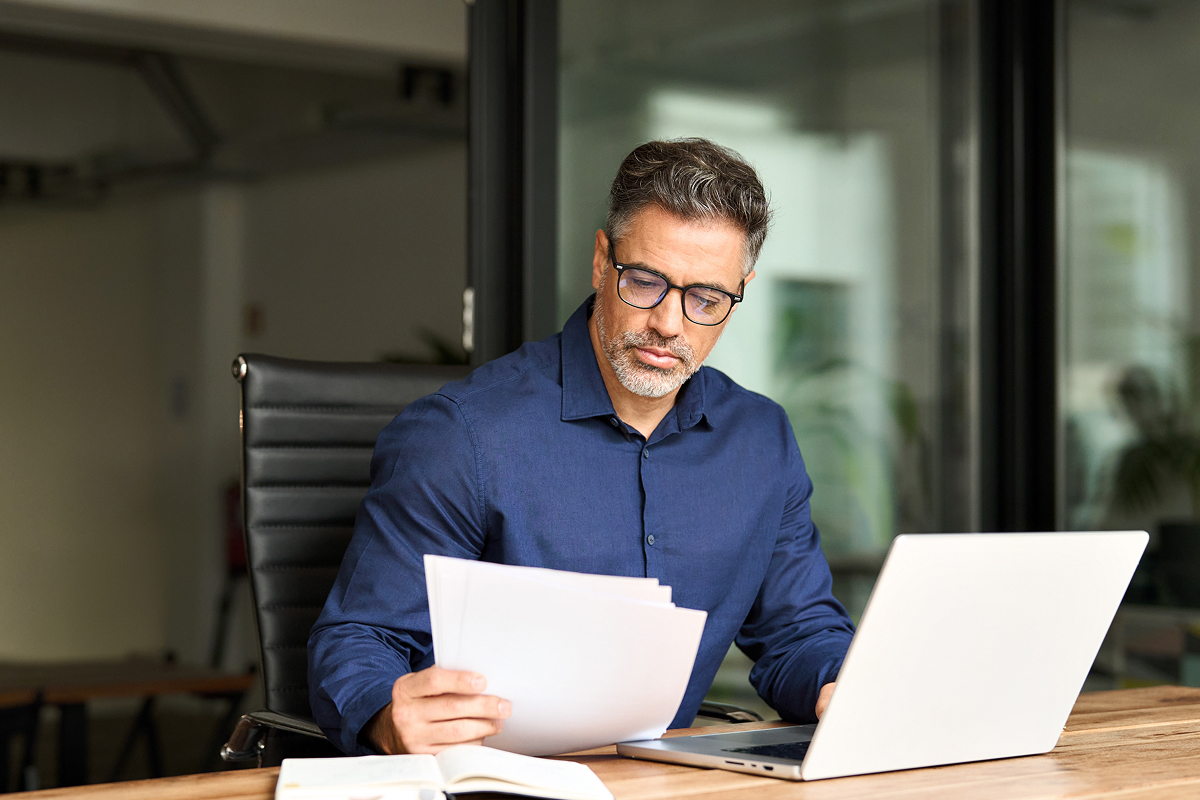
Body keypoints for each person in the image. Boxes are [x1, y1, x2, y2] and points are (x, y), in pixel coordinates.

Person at [308, 137, 855, 757]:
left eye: (706, 298)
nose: (669, 324)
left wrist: (841, 685)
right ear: (602, 261)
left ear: (740, 291)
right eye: (646, 282)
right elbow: (359, 638)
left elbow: (798, 631)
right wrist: (384, 712)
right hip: (494, 781)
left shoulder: (761, 441)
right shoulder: (462, 436)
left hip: (665, 781)